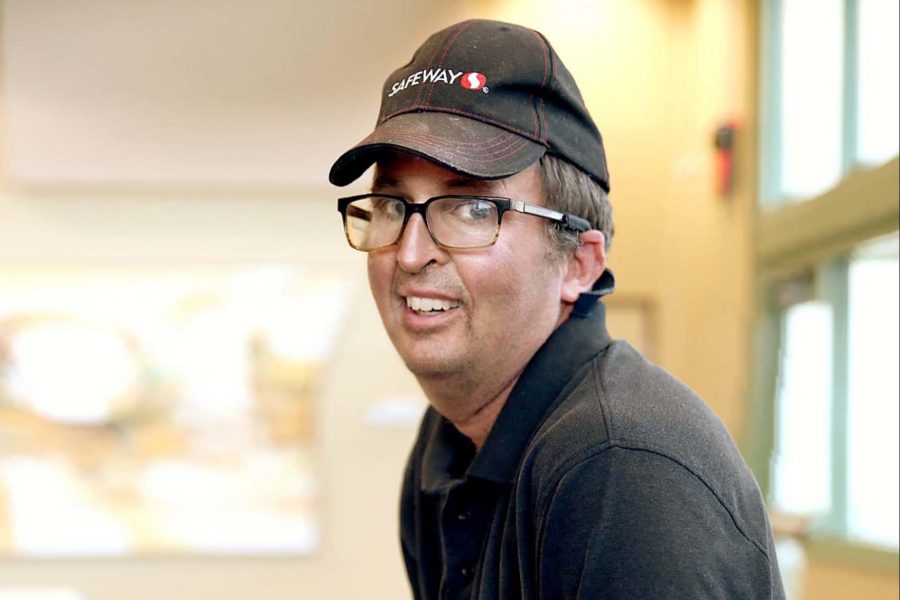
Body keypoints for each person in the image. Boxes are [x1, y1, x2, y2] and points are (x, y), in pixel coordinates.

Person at [329, 19, 785, 600]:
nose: (410, 253)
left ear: (578, 262)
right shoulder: (447, 440)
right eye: (393, 205)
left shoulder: (621, 469)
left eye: (472, 209)